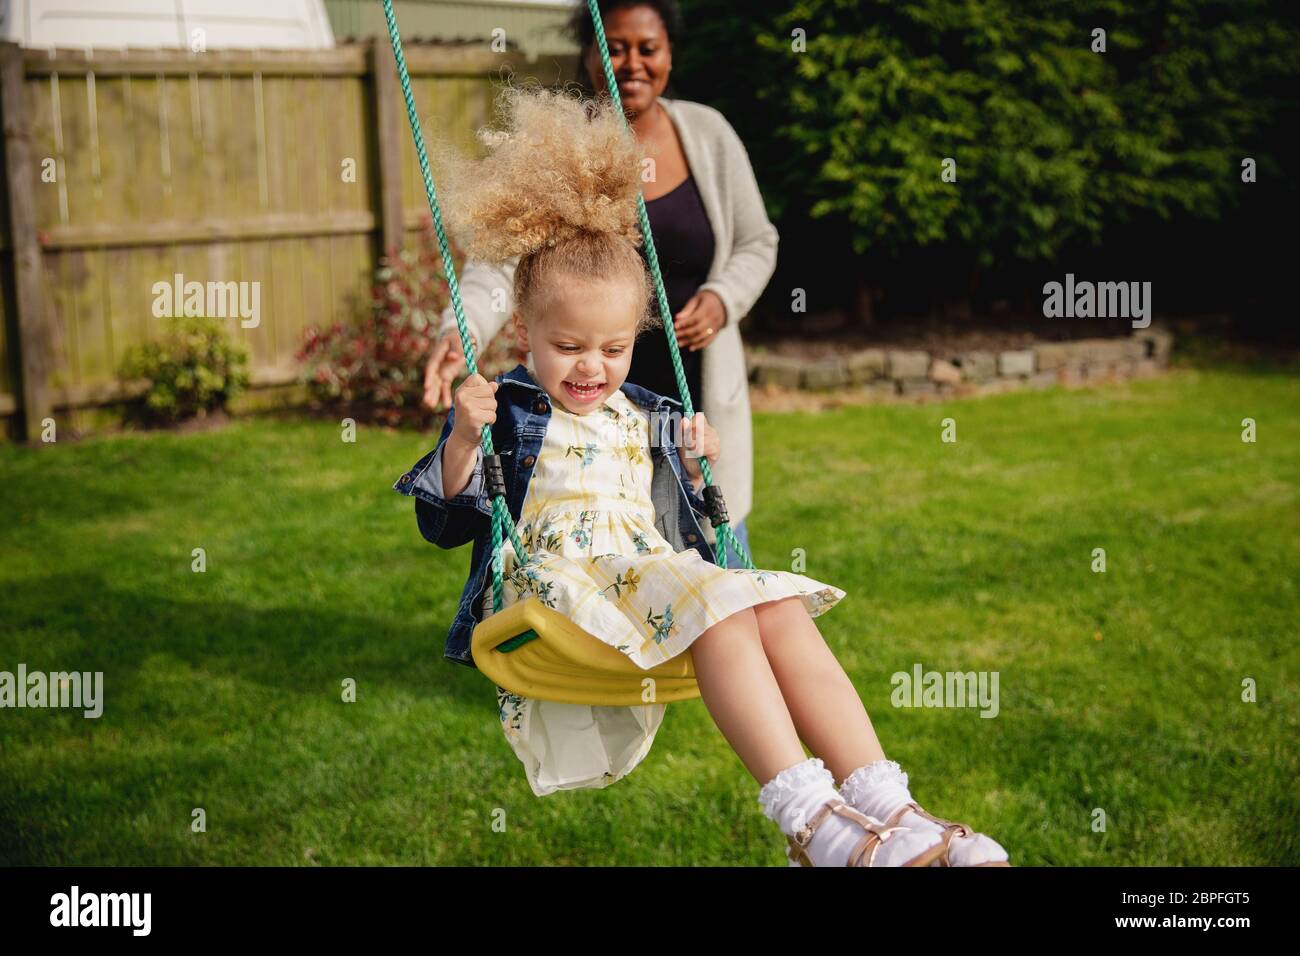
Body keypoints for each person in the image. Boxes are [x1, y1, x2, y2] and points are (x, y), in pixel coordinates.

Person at [393, 86, 1011, 866]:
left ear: (635, 340)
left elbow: (684, 521)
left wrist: (694, 463)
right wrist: (459, 439)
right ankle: (811, 825)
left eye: (614, 348)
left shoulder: (645, 411)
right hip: (559, 590)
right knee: (722, 604)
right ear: (525, 334)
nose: (593, 367)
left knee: (777, 603)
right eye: (571, 346)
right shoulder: (509, 406)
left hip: (642, 576)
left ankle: (891, 807)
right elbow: (446, 520)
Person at [420, 0, 771, 569]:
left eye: (647, 48)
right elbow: (500, 259)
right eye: (614, 45)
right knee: (616, 558)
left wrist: (722, 299)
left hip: (690, 393)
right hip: (583, 402)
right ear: (588, 54)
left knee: (717, 556)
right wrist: (465, 331)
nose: (631, 62)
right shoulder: (565, 146)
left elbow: (758, 241)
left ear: (669, 54)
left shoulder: (708, 134)